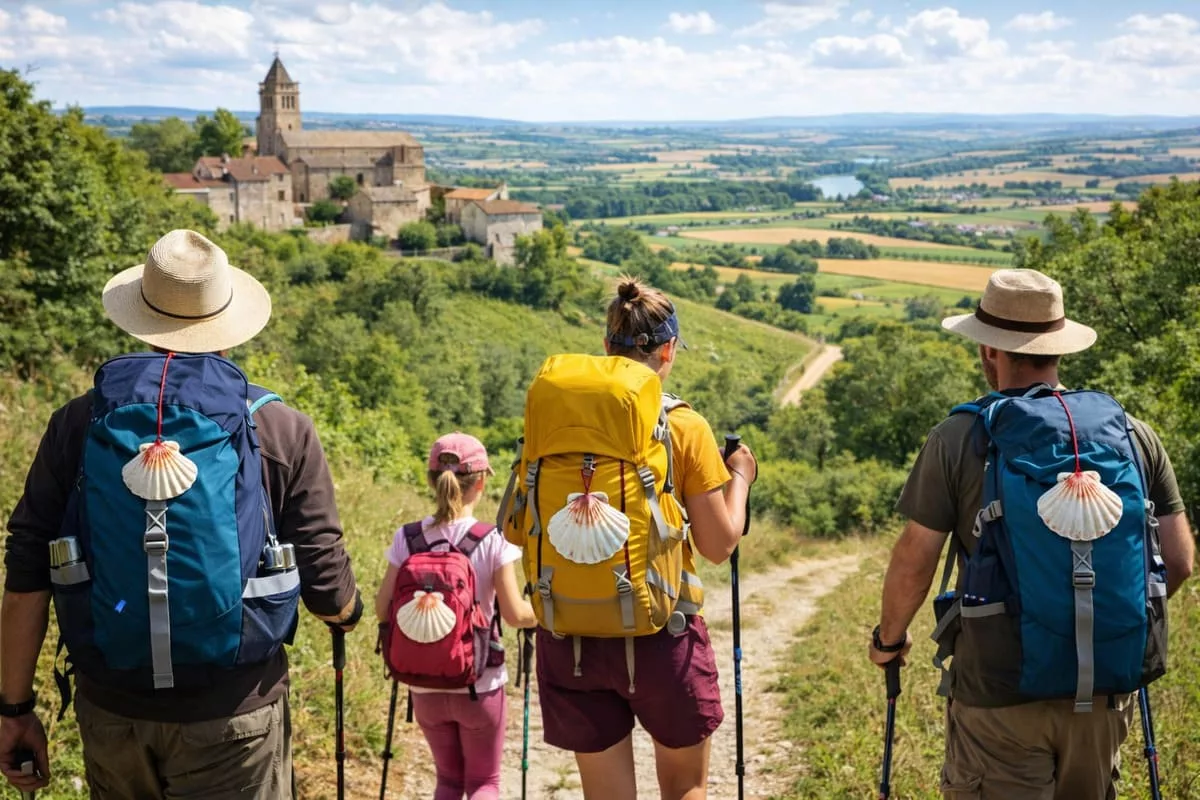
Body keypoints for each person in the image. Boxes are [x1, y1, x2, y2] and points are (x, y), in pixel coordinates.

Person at [0, 229, 362, 798]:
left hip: (113, 710)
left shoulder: (78, 423)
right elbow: (325, 581)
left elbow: (26, 573)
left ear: (139, 321)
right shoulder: (279, 428)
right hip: (235, 715)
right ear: (228, 323)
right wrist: (347, 613)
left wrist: (14, 710)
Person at [869, 269, 1195, 800]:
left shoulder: (959, 437)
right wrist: (1106, 620)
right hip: (1102, 689)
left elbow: (915, 561)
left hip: (998, 693)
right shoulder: (1133, 435)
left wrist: (889, 639)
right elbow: (1178, 562)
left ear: (988, 350)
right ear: (1059, 347)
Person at [534, 277, 757, 800]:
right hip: (663, 633)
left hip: (570, 634)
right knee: (684, 787)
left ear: (606, 345)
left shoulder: (556, 419)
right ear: (669, 350)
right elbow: (718, 545)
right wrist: (740, 477)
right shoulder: (683, 426)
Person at [375, 432, 537, 800]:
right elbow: (515, 615)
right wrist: (540, 614)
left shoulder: (408, 537)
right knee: (484, 783)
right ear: (481, 483)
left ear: (431, 480)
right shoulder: (492, 538)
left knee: (448, 781)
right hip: (479, 684)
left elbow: (382, 608)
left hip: (423, 685)